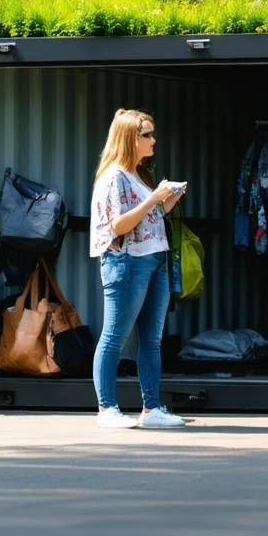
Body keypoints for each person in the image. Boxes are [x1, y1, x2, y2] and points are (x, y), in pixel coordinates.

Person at [89, 108, 188, 429]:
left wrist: (167, 199)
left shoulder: (136, 174)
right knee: (115, 336)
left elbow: (147, 217)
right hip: (127, 260)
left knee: (151, 339)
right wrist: (153, 199)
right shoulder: (114, 176)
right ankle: (106, 409)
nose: (153, 140)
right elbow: (118, 225)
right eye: (146, 134)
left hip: (154, 259)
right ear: (129, 138)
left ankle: (152, 409)